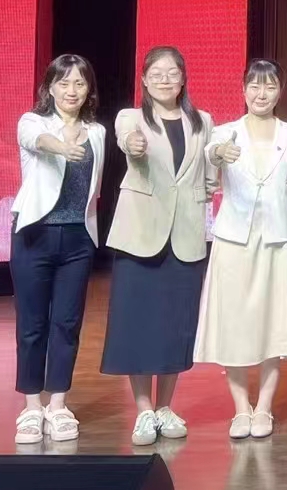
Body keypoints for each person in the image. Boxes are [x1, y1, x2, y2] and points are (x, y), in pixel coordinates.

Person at [103, 46, 217, 446]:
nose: (165, 80)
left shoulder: (203, 121)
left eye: (172, 73)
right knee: (137, 324)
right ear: (144, 80)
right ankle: (143, 411)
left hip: (185, 235)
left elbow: (208, 174)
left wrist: (207, 194)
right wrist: (133, 144)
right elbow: (127, 139)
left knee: (175, 325)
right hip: (140, 233)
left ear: (183, 79)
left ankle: (166, 406)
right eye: (157, 74)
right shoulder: (131, 118)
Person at [194, 59, 287, 439]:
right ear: (243, 89)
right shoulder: (223, 133)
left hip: (276, 239)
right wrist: (217, 155)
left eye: (270, 86)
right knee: (234, 324)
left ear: (280, 92)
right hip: (233, 240)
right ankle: (240, 408)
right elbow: (210, 162)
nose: (262, 94)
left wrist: (283, 217)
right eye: (255, 86)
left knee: (275, 323)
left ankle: (264, 408)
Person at [11, 54, 105, 445]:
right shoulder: (33, 122)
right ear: (50, 87)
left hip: (78, 239)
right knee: (32, 324)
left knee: (67, 324)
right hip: (34, 234)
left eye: (79, 83)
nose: (71, 90)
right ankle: (32, 407)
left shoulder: (97, 132)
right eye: (63, 83)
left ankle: (58, 404)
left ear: (88, 89)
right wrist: (62, 147)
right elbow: (36, 141)